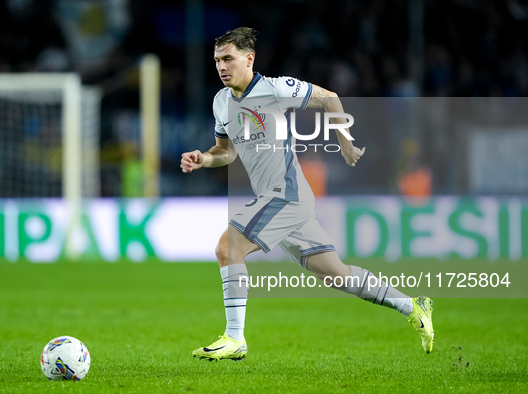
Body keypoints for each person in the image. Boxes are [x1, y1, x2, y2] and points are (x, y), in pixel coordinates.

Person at [181, 27, 434, 361]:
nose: (221, 66)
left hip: (284, 193)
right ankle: (413, 306)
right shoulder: (221, 102)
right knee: (338, 275)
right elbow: (226, 153)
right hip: (283, 199)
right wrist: (204, 159)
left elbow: (328, 97)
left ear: (249, 59)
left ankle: (234, 337)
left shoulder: (274, 88)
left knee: (228, 248)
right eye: (216, 60)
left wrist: (344, 140)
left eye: (228, 59)